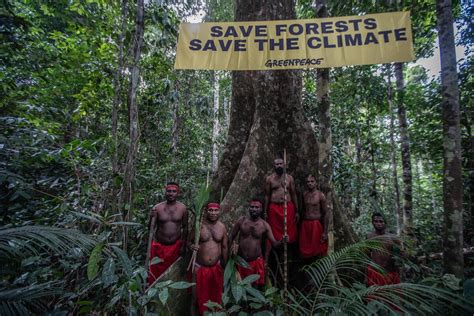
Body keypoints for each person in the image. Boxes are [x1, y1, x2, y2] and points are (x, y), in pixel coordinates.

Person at [229, 198, 286, 287]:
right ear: (249, 208)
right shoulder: (242, 221)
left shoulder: (264, 225)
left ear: (261, 209)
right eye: (252, 207)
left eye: (257, 207)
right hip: (240, 261)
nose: (254, 209)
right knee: (239, 286)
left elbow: (274, 243)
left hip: (255, 262)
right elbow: (231, 237)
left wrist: (282, 241)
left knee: (254, 287)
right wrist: (230, 252)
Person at [189, 202, 228, 315]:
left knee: (217, 296)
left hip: (216, 268)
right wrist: (192, 246)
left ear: (219, 211)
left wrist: (225, 265)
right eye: (210, 210)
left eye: (216, 210)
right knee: (196, 298)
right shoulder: (199, 225)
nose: (213, 213)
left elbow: (225, 246)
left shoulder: (222, 227)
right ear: (206, 211)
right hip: (200, 268)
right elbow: (188, 241)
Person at [147, 182, 188, 285]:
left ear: (178, 193)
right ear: (165, 192)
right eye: (169, 191)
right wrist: (151, 217)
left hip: (176, 247)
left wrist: (183, 245)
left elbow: (185, 227)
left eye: (174, 191)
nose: (171, 193)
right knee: (156, 273)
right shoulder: (157, 208)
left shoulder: (183, 208)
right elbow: (150, 228)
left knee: (173, 273)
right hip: (159, 247)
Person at [264, 158, 298, 244]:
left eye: (280, 164)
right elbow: (267, 196)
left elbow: (293, 194)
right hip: (274, 208)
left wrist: (297, 211)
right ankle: (275, 254)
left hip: (288, 207)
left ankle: (289, 253)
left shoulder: (290, 178)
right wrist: (265, 211)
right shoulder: (269, 179)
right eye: (277, 164)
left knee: (289, 231)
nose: (279, 166)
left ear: (284, 165)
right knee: (274, 232)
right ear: (274, 166)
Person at [299, 175, 330, 260]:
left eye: (312, 181)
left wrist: (325, 232)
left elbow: (326, 213)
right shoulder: (304, 194)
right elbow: (302, 210)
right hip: (305, 225)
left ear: (316, 183)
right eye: (308, 182)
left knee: (318, 249)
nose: (309, 183)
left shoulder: (320, 195)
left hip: (316, 224)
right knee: (305, 250)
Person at [366, 213, 401, 286]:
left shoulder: (393, 238)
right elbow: (366, 256)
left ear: (385, 222)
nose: (378, 224)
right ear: (372, 223)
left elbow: (401, 255)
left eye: (381, 221)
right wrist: (366, 275)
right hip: (375, 272)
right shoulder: (370, 237)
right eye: (376, 221)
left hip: (391, 273)